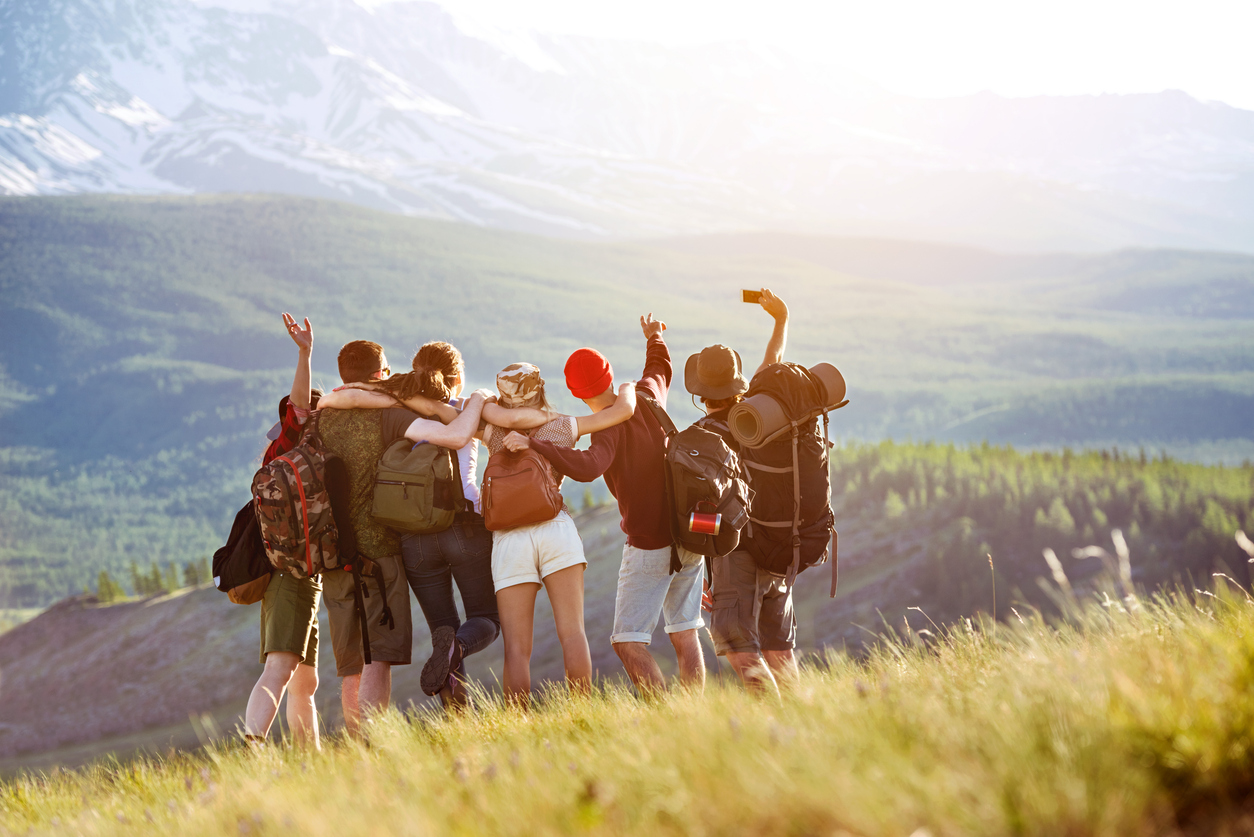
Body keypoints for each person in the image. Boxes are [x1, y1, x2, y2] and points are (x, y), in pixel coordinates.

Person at [325, 357, 637, 709]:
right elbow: (622, 412)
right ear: (541, 389)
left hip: (509, 539)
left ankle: (515, 718)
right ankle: (582, 713)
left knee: (517, 649)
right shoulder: (562, 426)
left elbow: (430, 408)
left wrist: (354, 391)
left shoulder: (492, 430)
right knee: (572, 634)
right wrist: (627, 388)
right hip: (555, 531)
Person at [506, 314, 705, 698]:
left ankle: (664, 715)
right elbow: (659, 368)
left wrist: (536, 445)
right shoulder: (646, 395)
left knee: (628, 642)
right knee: (685, 631)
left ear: (578, 393)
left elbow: (588, 466)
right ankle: (693, 715)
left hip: (650, 544)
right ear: (610, 375)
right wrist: (654, 336)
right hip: (689, 534)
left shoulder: (606, 427)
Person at [315, 339, 492, 735]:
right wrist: (478, 398)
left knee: (354, 662)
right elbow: (459, 435)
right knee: (383, 653)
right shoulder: (392, 417)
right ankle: (377, 743)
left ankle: (363, 748)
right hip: (390, 550)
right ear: (381, 374)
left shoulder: (323, 415)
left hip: (342, 551)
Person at [683, 288, 796, 696]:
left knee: (736, 643)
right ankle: (810, 727)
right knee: (779, 650)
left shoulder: (696, 441)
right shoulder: (761, 412)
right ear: (738, 384)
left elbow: (695, 512)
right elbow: (773, 362)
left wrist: (704, 575)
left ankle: (778, 731)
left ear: (698, 394)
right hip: (780, 543)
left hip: (738, 553)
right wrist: (780, 320)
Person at [243, 312, 323, 748]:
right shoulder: (295, 441)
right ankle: (253, 744)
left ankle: (311, 759)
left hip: (293, 568)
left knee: (304, 681)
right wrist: (305, 353)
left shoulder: (277, 453)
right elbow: (301, 406)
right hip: (293, 573)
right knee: (280, 668)